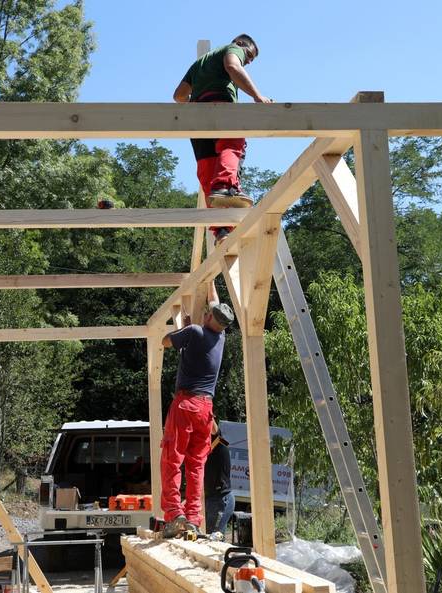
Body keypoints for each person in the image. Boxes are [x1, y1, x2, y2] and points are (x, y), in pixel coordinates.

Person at [172, 34, 272, 244]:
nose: (248, 62)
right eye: (249, 56)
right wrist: (257, 96)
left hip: (198, 119)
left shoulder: (199, 63)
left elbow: (179, 96)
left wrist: (197, 105)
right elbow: (233, 67)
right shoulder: (232, 48)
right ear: (241, 43)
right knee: (232, 143)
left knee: (207, 166)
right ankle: (226, 185)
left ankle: (221, 230)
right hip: (221, 104)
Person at [160, 282, 235, 538]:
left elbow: (165, 342)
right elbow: (214, 301)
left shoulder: (194, 332)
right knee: (196, 464)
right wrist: (209, 280)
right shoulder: (220, 336)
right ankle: (192, 517)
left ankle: (174, 513)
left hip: (186, 404)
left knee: (173, 457)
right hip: (206, 409)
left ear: (208, 317)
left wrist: (181, 330)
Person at [204, 420, 234, 538]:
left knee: (212, 538)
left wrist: (206, 413)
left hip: (220, 499)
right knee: (210, 538)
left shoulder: (218, 442)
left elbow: (214, 430)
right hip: (213, 498)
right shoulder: (208, 449)